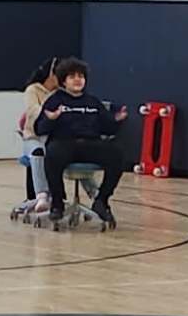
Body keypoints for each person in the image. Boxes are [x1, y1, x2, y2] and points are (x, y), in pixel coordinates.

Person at [34, 60, 127, 229]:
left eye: (81, 76)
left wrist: (117, 121)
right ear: (64, 81)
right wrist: (51, 119)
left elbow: (108, 128)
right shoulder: (55, 100)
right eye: (72, 77)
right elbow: (39, 129)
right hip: (65, 143)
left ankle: (101, 200)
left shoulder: (93, 102)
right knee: (53, 154)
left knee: (116, 154)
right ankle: (57, 203)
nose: (77, 80)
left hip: (90, 144)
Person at [11, 64, 60, 225]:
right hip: (33, 136)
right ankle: (41, 196)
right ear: (51, 74)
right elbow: (33, 110)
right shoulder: (33, 90)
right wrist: (51, 114)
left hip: (53, 138)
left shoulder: (61, 93)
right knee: (38, 151)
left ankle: (95, 195)